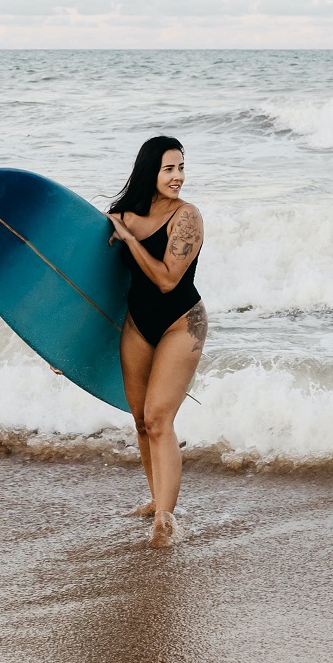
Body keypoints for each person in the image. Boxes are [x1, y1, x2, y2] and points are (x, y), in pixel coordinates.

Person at [106, 136, 207, 548]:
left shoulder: (187, 217)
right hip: (137, 324)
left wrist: (131, 240)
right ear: (150, 170)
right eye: (169, 169)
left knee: (159, 420)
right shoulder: (122, 214)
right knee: (140, 421)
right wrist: (63, 346)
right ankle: (155, 498)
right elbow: (93, 283)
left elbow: (167, 280)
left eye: (181, 167)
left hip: (181, 323)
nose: (179, 176)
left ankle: (164, 522)